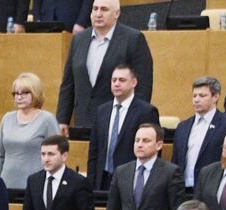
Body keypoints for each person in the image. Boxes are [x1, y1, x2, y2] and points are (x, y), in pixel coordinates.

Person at [56, 0, 155, 128]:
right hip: (83, 122)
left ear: (117, 13)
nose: (98, 14)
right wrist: (62, 120)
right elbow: (68, 84)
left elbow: (143, 85)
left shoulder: (133, 39)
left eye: (104, 9)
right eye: (95, 9)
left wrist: (135, 119)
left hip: (118, 122)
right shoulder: (78, 39)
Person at [107, 124, 185, 210]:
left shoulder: (170, 172)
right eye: (137, 140)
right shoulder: (121, 172)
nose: (140, 145)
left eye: (146, 141)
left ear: (159, 145)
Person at [87, 65, 160, 191]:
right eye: (113, 80)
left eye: (122, 80)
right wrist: (91, 181)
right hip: (102, 179)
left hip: (131, 180)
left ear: (134, 82)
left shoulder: (146, 111)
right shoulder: (102, 111)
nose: (116, 84)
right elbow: (94, 150)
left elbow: (153, 150)